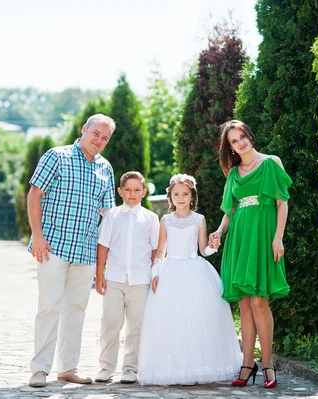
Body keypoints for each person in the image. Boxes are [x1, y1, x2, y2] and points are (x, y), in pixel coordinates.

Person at [27, 114, 116, 387]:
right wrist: (37, 235)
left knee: (76, 309)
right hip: (53, 245)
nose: (99, 140)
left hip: (87, 250)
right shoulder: (57, 156)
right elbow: (34, 194)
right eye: (95, 134)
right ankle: (39, 370)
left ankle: (67, 368)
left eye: (105, 138)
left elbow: (108, 213)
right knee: (49, 306)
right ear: (84, 130)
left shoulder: (106, 168)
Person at [209, 120, 292, 389]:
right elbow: (229, 211)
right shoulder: (234, 173)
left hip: (264, 236)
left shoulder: (271, 163)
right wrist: (219, 232)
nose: (240, 142)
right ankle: (247, 364)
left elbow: (282, 203)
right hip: (240, 239)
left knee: (259, 301)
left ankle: (267, 364)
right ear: (230, 147)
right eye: (234, 141)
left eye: (242, 136)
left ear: (250, 135)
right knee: (244, 304)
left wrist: (278, 237)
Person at [137, 174, 242, 386]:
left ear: (192, 195)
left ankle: (197, 366)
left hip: (196, 271)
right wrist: (155, 273)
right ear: (171, 197)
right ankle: (176, 367)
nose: (181, 198)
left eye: (185, 194)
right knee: (173, 320)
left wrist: (213, 246)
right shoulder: (165, 220)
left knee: (196, 319)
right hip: (171, 272)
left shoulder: (199, 219)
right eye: (176, 194)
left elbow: (203, 250)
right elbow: (160, 251)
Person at [94, 171, 160, 384]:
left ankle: (131, 369)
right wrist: (99, 274)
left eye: (137, 190)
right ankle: (106, 367)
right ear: (120, 191)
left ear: (144, 192)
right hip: (114, 277)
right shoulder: (111, 216)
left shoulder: (151, 218)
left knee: (136, 326)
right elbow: (103, 245)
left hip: (140, 280)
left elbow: (155, 250)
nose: (132, 194)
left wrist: (154, 275)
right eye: (128, 190)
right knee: (110, 322)